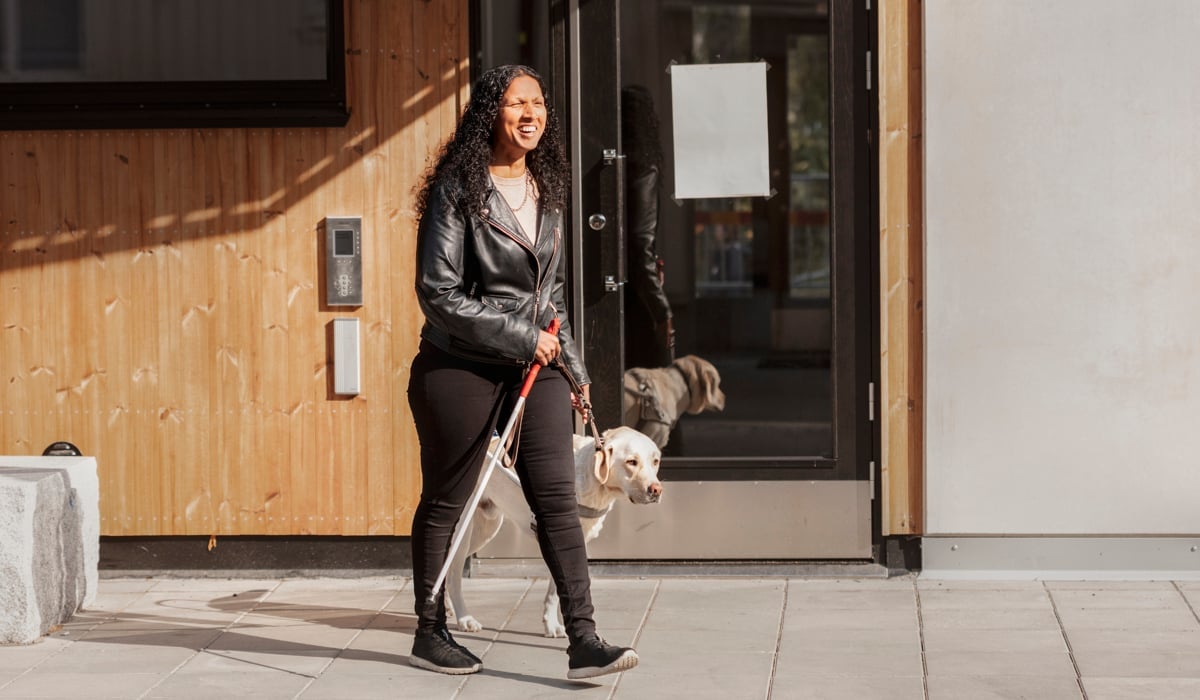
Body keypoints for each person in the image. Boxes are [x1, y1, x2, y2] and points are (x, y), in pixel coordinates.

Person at [407, 64, 639, 680]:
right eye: (516, 104)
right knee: (448, 501)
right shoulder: (457, 191)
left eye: (538, 104)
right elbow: (438, 292)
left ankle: (584, 640)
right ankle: (430, 632)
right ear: (491, 113)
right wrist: (523, 336)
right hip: (458, 367)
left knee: (557, 502)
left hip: (537, 365)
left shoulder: (548, 189)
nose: (531, 114)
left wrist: (574, 364)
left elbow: (550, 293)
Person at [621, 85, 674, 368]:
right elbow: (640, 243)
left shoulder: (607, 162)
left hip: (616, 288)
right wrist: (662, 309)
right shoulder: (644, 168)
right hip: (638, 295)